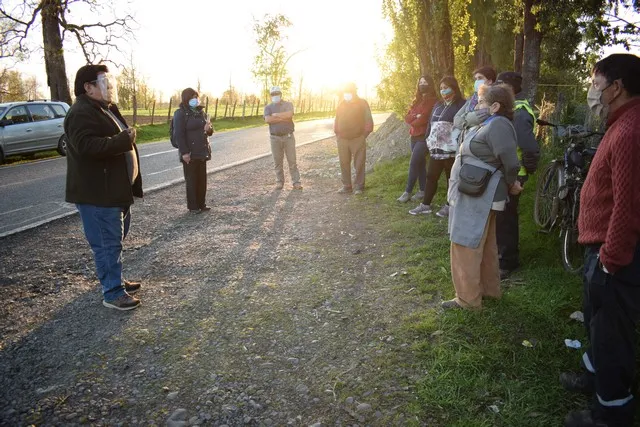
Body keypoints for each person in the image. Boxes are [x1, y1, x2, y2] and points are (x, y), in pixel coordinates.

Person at [561, 53, 640, 427]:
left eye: (596, 84)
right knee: (596, 322)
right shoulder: (620, 124)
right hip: (601, 249)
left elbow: (629, 205)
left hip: (614, 255)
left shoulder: (630, 131)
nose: (594, 92)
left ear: (616, 87)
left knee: (612, 334)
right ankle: (593, 379)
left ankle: (611, 413)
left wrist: (610, 260)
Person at [65, 64, 143, 311]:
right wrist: (123, 139)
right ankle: (112, 292)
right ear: (88, 87)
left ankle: (115, 281)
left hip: (114, 190)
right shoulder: (80, 113)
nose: (108, 86)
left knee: (115, 240)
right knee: (107, 243)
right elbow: (87, 147)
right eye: (102, 82)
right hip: (98, 194)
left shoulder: (103, 109)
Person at [443, 83, 521, 310]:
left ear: (495, 106)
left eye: (482, 102)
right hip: (476, 191)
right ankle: (487, 291)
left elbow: (510, 161)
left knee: (465, 242)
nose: (477, 105)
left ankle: (467, 300)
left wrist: (511, 183)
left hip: (480, 193)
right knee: (483, 243)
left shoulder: (498, 125)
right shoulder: (489, 123)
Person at [493, 72, 540, 278]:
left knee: (506, 219)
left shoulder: (519, 112)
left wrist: (525, 173)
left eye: (500, 84)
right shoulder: (511, 109)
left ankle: (508, 262)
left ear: (510, 87)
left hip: (514, 173)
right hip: (506, 171)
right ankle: (501, 255)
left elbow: (529, 146)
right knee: (501, 216)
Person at [409, 76, 466, 217]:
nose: (443, 91)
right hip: (436, 148)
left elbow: (463, 125)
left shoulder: (462, 104)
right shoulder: (438, 104)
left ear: (454, 88)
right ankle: (425, 205)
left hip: (451, 150)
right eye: (441, 88)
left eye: (446, 87)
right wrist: (428, 137)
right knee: (431, 176)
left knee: (450, 177)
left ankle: (449, 205)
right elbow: (430, 122)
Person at [397, 75, 438, 203]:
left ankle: (407, 192)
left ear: (430, 84)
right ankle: (422, 191)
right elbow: (407, 117)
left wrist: (415, 118)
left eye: (425, 82)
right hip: (413, 136)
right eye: (420, 82)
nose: (422, 84)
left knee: (414, 162)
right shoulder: (417, 100)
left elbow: (424, 118)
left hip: (424, 137)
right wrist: (415, 116)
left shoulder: (433, 101)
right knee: (420, 164)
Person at [173, 88, 214, 213]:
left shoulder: (201, 112)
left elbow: (210, 132)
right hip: (189, 153)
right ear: (186, 99)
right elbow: (179, 134)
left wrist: (208, 128)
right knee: (191, 180)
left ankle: (202, 204)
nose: (195, 100)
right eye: (192, 97)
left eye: (196, 97)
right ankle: (193, 206)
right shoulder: (180, 113)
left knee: (202, 179)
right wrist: (184, 152)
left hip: (202, 150)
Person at [334, 82, 374, 195]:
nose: (347, 93)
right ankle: (347, 186)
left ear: (354, 91)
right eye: (345, 91)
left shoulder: (362, 103)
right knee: (344, 162)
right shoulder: (341, 103)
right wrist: (337, 133)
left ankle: (359, 187)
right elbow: (337, 119)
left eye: (349, 91)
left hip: (358, 138)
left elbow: (368, 120)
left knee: (359, 163)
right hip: (342, 139)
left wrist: (363, 136)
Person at [263, 86, 302, 190]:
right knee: (277, 162)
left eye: (277, 94)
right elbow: (267, 119)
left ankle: (296, 182)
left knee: (292, 161)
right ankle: (279, 182)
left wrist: (275, 116)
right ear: (271, 96)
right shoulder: (268, 107)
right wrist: (282, 117)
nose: (275, 96)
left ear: (280, 94)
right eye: (273, 94)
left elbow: (289, 115)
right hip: (275, 138)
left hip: (288, 137)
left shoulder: (288, 104)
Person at [453, 66, 497, 136]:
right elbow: (456, 118)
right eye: (476, 79)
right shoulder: (472, 99)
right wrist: (466, 123)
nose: (477, 81)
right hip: (466, 138)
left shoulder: (494, 98)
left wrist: (465, 118)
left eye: (480, 78)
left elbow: (485, 114)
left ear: (490, 81)